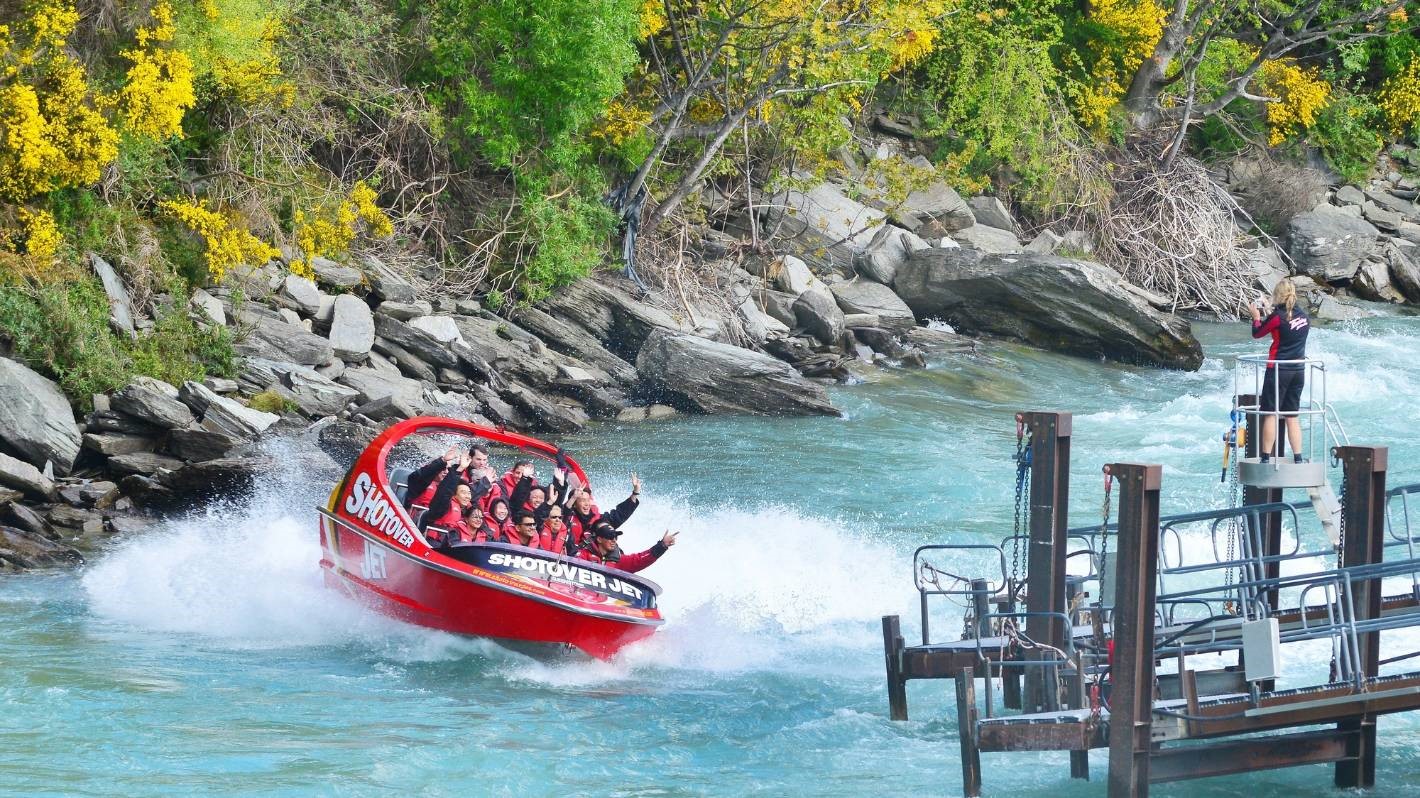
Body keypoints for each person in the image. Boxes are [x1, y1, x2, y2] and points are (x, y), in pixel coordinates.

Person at [1250, 278, 1310, 463]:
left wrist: (1256, 317)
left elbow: (1258, 333)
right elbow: (1285, 323)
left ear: (1278, 296)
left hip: (1278, 370)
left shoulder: (1277, 317)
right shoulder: (1304, 317)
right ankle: (1298, 457)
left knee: (1271, 413)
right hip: (1298, 370)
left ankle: (1266, 457)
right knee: (1292, 415)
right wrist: (1270, 309)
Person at [404, 444, 495, 509]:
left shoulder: (447, 489)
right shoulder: (421, 482)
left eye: (484, 460)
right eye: (478, 459)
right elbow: (420, 475)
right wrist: (443, 461)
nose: (446, 472)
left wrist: (486, 488)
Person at [567, 473, 642, 548]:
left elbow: (620, 514)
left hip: (591, 556)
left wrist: (635, 493)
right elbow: (563, 510)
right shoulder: (566, 517)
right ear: (574, 504)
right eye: (583, 500)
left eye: (588, 500)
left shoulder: (598, 519)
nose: (587, 504)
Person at [576, 521, 677, 573]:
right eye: (610, 537)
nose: (614, 540)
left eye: (615, 537)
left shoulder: (618, 560)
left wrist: (662, 546)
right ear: (599, 539)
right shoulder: (583, 555)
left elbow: (640, 559)